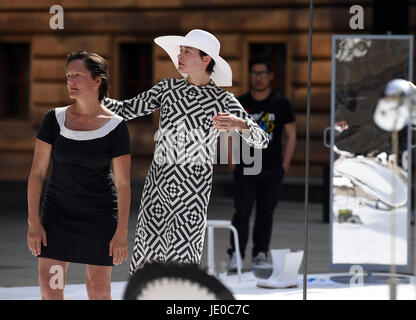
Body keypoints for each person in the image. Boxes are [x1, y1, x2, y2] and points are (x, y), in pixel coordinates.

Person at [103, 29, 269, 275]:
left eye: (187, 51)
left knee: (181, 267)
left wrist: (240, 124)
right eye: (180, 51)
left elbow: (262, 140)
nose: (179, 55)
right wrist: (94, 95)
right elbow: (127, 110)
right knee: (146, 263)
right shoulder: (167, 88)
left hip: (192, 197)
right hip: (157, 190)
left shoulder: (222, 99)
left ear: (205, 59)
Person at [27, 51, 131, 300]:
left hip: (99, 217)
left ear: (97, 81)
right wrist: (33, 222)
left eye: (77, 75)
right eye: (68, 76)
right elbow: (37, 173)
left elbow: (123, 183)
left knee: (98, 289)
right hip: (57, 216)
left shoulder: (116, 126)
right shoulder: (54, 119)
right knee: (50, 286)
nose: (70, 81)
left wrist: (121, 232)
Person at [227, 55, 296, 270]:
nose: (258, 78)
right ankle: (236, 254)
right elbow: (230, 132)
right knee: (242, 212)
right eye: (255, 74)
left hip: (273, 168)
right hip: (246, 167)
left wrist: (285, 164)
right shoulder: (241, 102)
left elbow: (291, 134)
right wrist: (232, 160)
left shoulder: (281, 103)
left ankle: (260, 254)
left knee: (266, 213)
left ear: (270, 76)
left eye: (262, 74)